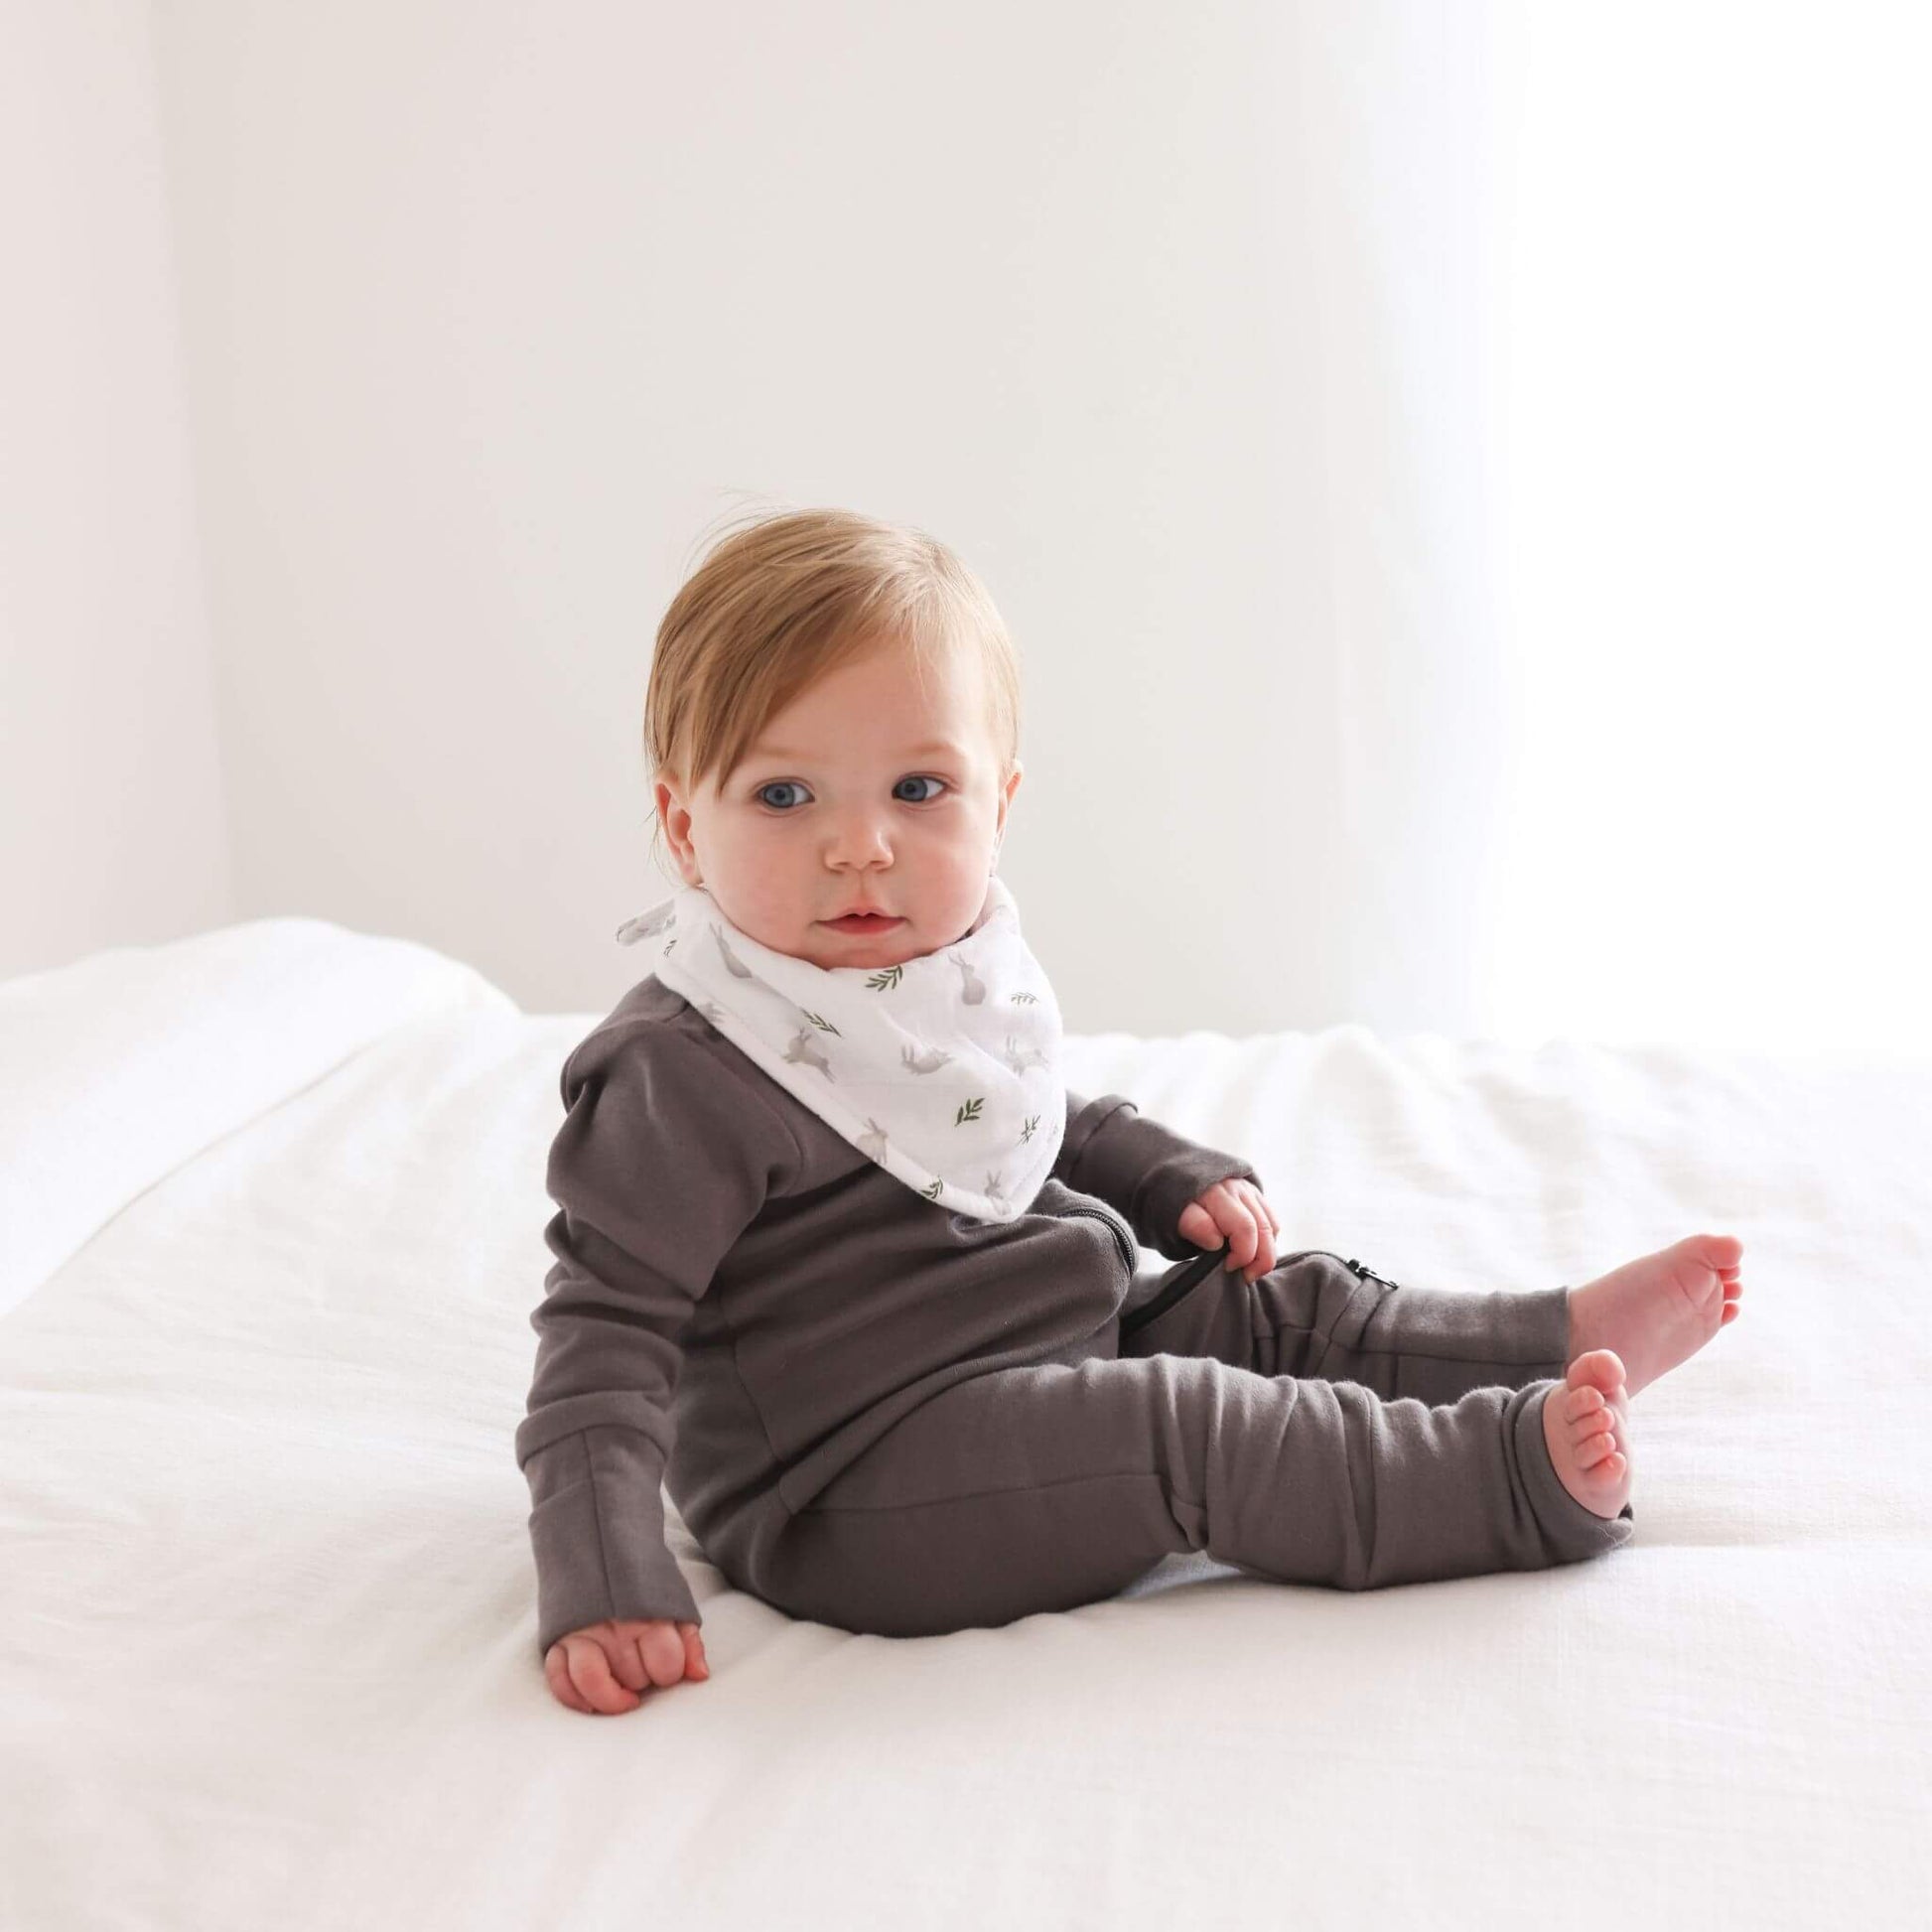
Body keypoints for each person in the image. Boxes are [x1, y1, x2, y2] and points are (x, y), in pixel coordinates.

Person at [518, 506, 1745, 1717]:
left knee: (1263, 1306)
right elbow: (598, 1350)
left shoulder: (924, 971)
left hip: (1047, 1341)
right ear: (686, 826)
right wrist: (606, 1576)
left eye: (916, 786)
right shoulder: (678, 1068)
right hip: (855, 1483)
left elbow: (1017, 1111)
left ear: (996, 805)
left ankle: (1543, 1333)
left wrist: (1167, 1175)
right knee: (1180, 1426)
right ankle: (1508, 1479)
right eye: (785, 795)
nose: (861, 846)